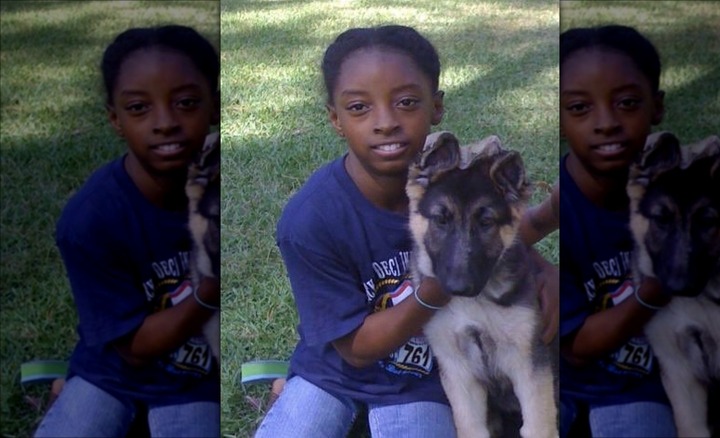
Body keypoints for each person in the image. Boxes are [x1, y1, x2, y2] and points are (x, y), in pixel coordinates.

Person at [255, 24, 558, 437]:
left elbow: (492, 230)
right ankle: (289, 390)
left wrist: (544, 268)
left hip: (421, 381)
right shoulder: (311, 220)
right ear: (335, 119)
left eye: (406, 102)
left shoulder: (452, 183)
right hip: (330, 373)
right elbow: (356, 350)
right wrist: (439, 286)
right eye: (359, 107)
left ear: (436, 108)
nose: (385, 123)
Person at [34, 25, 220, 438]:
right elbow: (133, 349)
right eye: (139, 108)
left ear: (215, 107)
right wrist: (210, 288)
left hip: (196, 379)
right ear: (114, 119)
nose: (165, 123)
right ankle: (73, 391)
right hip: (112, 372)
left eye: (186, 103)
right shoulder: (90, 219)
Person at [558, 24, 677, 437]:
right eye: (578, 108)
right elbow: (576, 348)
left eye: (627, 103)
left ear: (656, 107)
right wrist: (657, 288)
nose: (606, 123)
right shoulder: (561, 210)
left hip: (640, 384)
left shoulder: (680, 189)